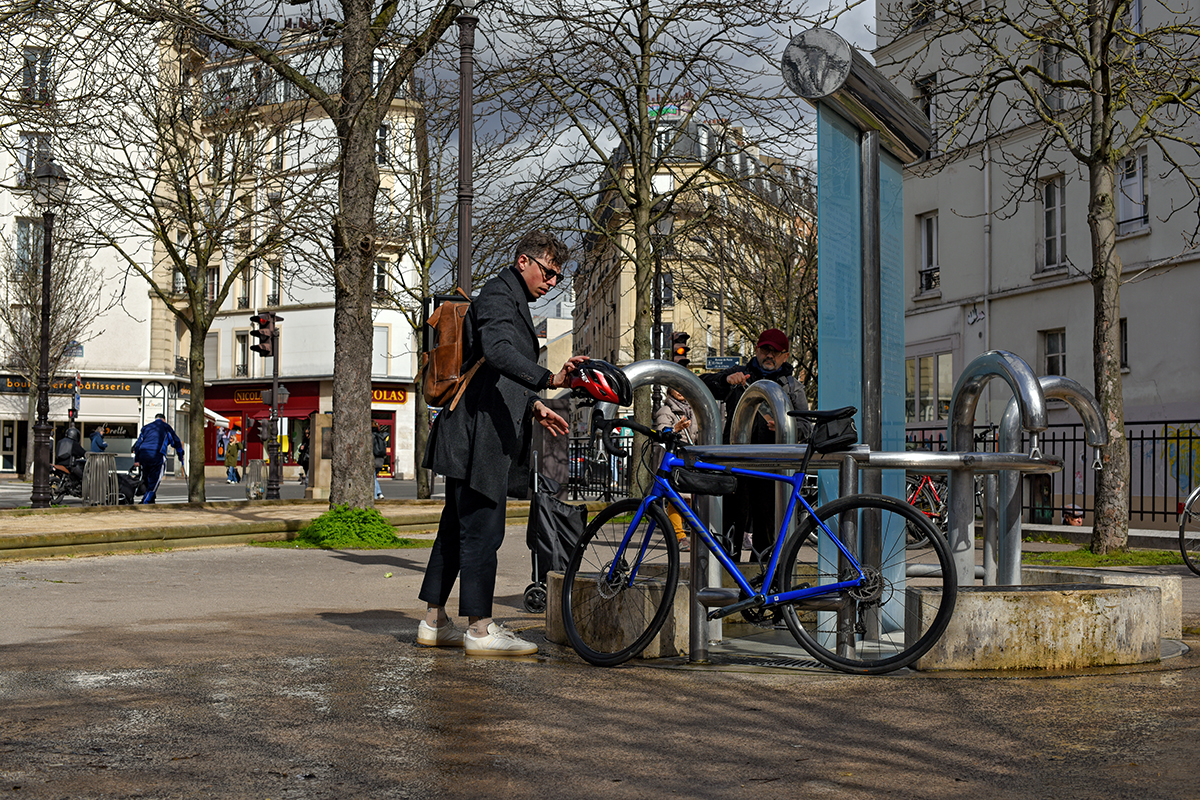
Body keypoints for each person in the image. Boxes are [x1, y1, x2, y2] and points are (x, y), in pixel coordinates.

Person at [417, 231, 588, 657]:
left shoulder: (509, 297)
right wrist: (549, 379)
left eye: (558, 277)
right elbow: (495, 351)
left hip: (472, 429)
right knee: (482, 530)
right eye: (548, 272)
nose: (552, 282)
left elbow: (492, 374)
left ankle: (434, 621)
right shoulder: (498, 295)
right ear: (523, 261)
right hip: (478, 436)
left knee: (455, 529)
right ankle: (479, 629)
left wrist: (533, 405)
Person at [701, 328, 812, 562]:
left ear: (785, 356)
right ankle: (726, 572)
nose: (769, 356)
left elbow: (805, 426)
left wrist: (786, 429)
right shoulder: (739, 374)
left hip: (771, 470)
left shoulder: (793, 387)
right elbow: (702, 386)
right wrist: (725, 380)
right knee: (730, 526)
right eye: (765, 350)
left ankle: (761, 577)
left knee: (767, 530)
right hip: (736, 465)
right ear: (756, 350)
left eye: (775, 352)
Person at [654, 388, 695, 551]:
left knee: (691, 499)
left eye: (682, 387)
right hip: (675, 458)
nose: (680, 391)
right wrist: (675, 429)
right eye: (675, 388)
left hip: (690, 459)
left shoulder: (694, 409)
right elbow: (661, 433)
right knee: (676, 498)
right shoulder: (666, 410)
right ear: (670, 390)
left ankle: (688, 534)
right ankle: (679, 536)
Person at [133, 413, 185, 504]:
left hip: (143, 455)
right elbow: (176, 442)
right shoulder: (166, 427)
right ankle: (145, 501)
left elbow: (138, 444)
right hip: (157, 455)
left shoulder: (146, 428)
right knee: (155, 480)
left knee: (147, 478)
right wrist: (180, 455)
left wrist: (137, 459)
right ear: (164, 420)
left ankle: (151, 500)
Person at [372, 426, 387, 500]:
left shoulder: (372, 436)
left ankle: (376, 495)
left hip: (374, 459)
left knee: (373, 478)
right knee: (374, 477)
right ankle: (379, 493)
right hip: (380, 459)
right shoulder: (381, 436)